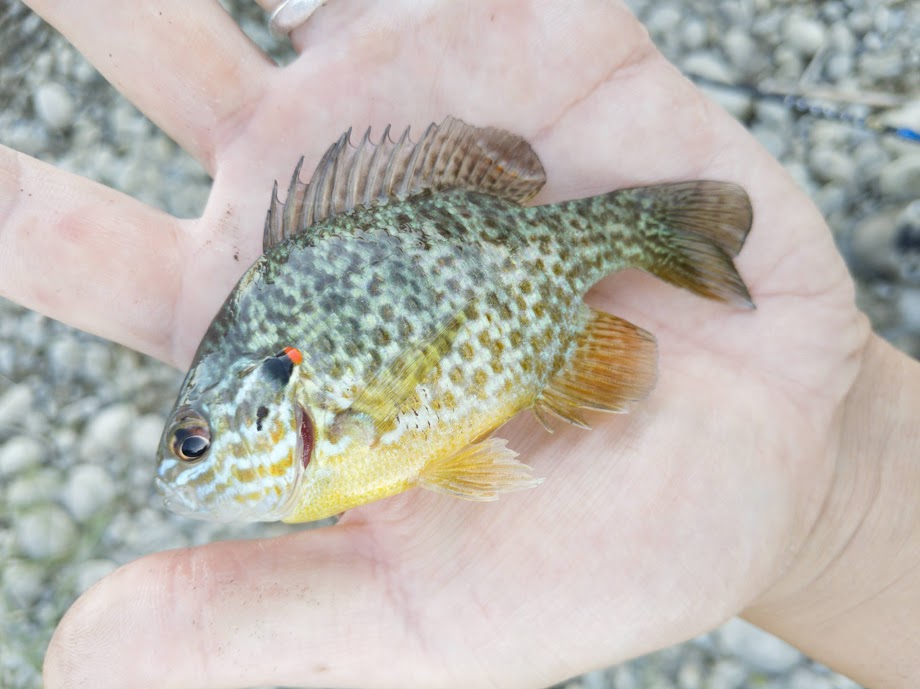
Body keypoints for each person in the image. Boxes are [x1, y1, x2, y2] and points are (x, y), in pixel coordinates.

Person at [2, 2, 918, 688]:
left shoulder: (334, 420)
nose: (184, 470)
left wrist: (841, 463)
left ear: (274, 394)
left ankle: (644, 230)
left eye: (194, 441)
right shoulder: (323, 426)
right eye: (189, 444)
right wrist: (835, 496)